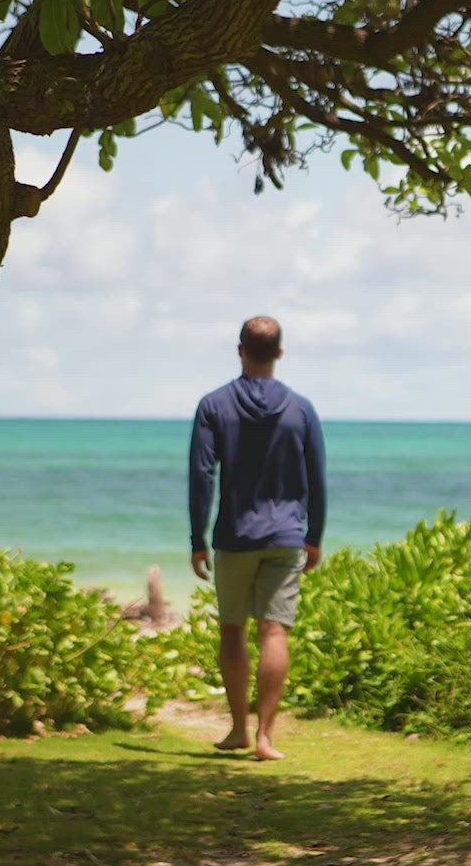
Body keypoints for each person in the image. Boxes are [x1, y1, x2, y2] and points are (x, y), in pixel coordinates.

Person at [188, 315, 326, 760]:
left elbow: (201, 477)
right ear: (280, 353)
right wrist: (315, 535)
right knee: (274, 632)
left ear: (240, 349)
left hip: (234, 536)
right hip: (287, 536)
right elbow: (317, 478)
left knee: (232, 630)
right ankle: (266, 737)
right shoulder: (301, 409)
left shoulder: (214, 405)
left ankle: (238, 729)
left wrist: (197, 538)